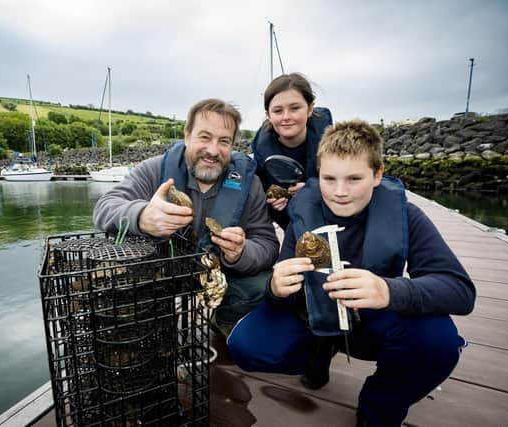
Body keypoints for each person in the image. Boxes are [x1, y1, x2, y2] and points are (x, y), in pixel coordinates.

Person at [228, 120, 475, 426]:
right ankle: (321, 350)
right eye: (329, 179)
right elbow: (280, 293)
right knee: (246, 347)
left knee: (438, 343)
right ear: (318, 176)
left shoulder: (407, 215)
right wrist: (276, 289)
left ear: (377, 175)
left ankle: (378, 407)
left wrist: (388, 291)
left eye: (354, 178)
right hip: (313, 316)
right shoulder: (303, 214)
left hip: (371, 322)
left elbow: (461, 291)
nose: (340, 192)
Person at [93, 98, 279, 336]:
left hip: (218, 278)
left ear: (233, 145)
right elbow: (105, 207)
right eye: (204, 137)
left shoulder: (249, 184)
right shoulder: (154, 169)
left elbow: (268, 245)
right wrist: (142, 216)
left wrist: (241, 252)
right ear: (187, 135)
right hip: (160, 276)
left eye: (224, 141)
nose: (213, 150)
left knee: (262, 286)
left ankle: (223, 321)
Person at [251, 72, 333, 229]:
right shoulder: (261, 154)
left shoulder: (333, 144)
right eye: (278, 111)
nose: (286, 117)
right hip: (291, 225)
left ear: (310, 109)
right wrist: (272, 205)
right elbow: (259, 199)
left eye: (295, 108)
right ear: (268, 114)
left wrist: (315, 189)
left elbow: (350, 185)